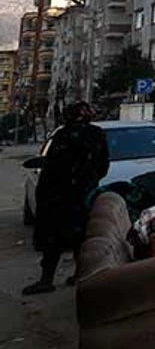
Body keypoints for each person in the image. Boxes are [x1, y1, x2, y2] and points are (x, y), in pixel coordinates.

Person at [23, 102, 109, 295]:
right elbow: (103, 165)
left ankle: (48, 279)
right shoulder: (95, 135)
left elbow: (53, 167)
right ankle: (76, 275)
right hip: (78, 195)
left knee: (54, 239)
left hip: (60, 197)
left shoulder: (65, 135)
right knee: (78, 237)